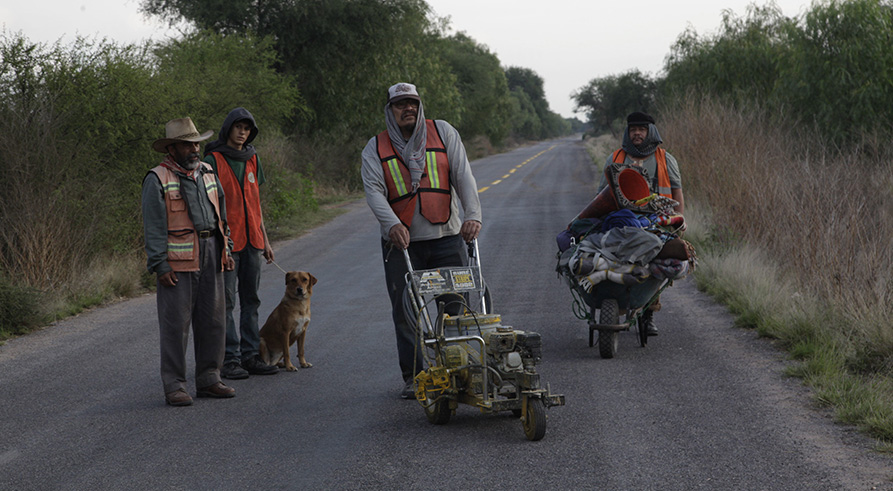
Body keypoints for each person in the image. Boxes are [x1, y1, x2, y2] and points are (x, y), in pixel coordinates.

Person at [361, 82, 483, 399]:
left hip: (447, 238)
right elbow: (374, 192)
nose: (408, 109)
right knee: (407, 311)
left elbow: (463, 175)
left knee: (455, 307)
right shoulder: (375, 148)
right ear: (390, 110)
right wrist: (391, 225)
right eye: (401, 104)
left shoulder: (442, 132)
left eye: (413, 103)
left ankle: (459, 372)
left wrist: (473, 215)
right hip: (401, 245)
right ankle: (415, 377)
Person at [142, 117, 237, 406]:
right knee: (175, 325)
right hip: (178, 261)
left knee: (214, 320)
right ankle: (175, 386)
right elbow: (153, 226)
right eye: (187, 145)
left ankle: (210, 379)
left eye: (196, 143)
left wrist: (227, 248)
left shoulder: (208, 171)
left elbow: (222, 214)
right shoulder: (157, 178)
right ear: (172, 148)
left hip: (212, 252)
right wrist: (160, 264)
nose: (194, 149)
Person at [203, 107, 279, 379]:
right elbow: (207, 207)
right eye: (238, 127)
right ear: (228, 129)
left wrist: (266, 242)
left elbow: (255, 205)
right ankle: (230, 359)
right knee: (226, 303)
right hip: (227, 245)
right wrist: (216, 244)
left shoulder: (252, 158)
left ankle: (251, 355)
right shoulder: (213, 159)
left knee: (252, 300)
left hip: (254, 242)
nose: (242, 133)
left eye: (247, 129)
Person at [598, 111, 685, 336]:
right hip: (622, 221)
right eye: (633, 129)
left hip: (657, 221)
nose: (637, 133)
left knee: (654, 265)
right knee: (615, 259)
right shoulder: (615, 157)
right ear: (628, 132)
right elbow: (600, 194)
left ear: (650, 132)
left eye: (642, 129)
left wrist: (679, 221)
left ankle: (648, 313)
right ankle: (616, 301)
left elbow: (677, 192)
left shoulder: (665, 159)